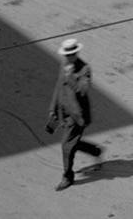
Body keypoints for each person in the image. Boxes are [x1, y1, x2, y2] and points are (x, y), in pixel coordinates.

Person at [46, 38, 103, 191]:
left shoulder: (85, 69)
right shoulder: (64, 65)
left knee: (66, 146)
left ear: (76, 53)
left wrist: (70, 76)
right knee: (72, 144)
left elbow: (82, 90)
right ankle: (95, 151)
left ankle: (67, 177)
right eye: (66, 54)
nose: (68, 57)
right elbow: (59, 87)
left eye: (71, 54)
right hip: (63, 112)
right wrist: (53, 108)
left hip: (77, 116)